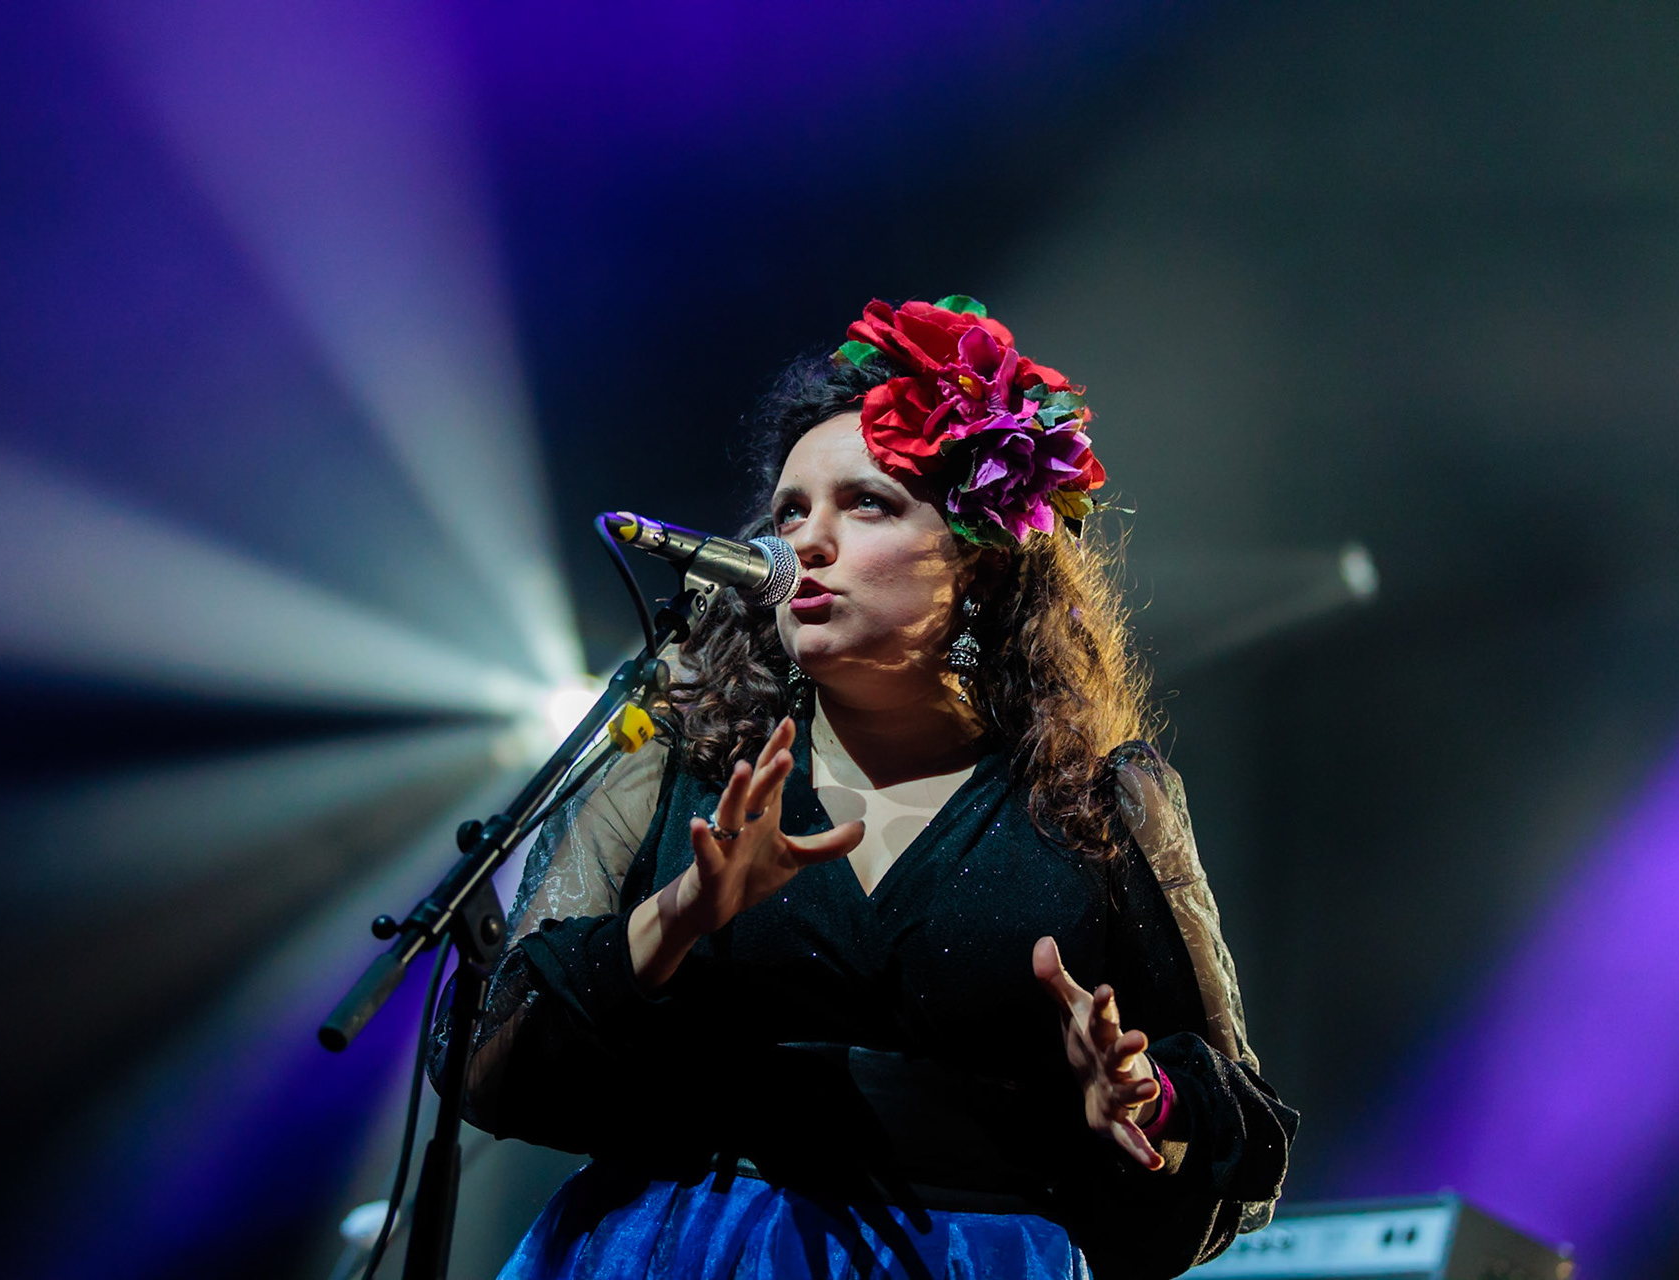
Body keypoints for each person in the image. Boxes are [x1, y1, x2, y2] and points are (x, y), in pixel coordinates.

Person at [429, 297, 1296, 1280]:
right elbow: (495, 1064)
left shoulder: (1098, 802)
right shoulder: (678, 759)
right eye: (791, 509)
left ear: (977, 554)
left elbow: (1229, 1128)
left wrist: (1146, 1106)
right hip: (680, 1251)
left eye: (866, 502)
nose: (805, 541)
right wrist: (677, 915)